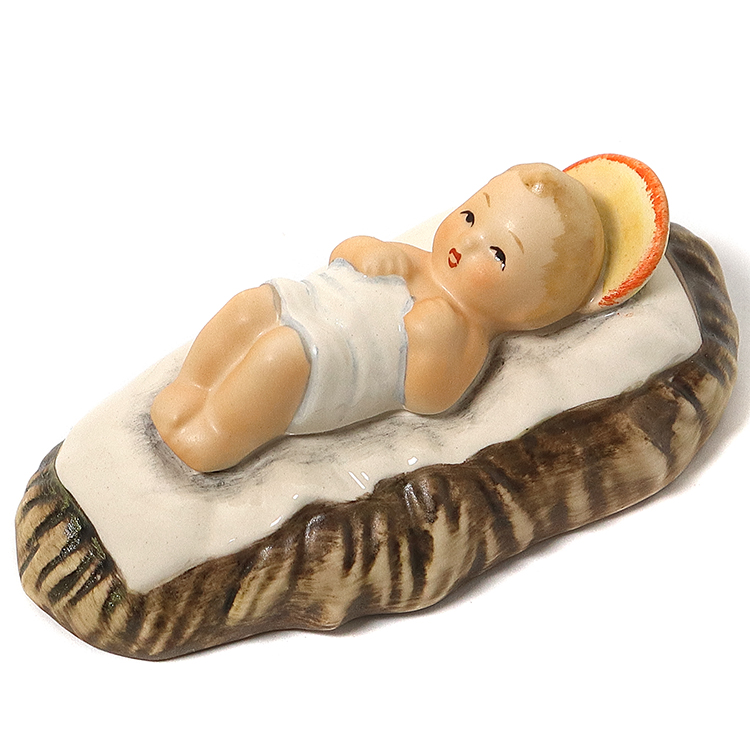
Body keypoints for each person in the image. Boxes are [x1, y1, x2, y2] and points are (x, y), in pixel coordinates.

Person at [151, 162, 605, 472]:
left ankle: (217, 433)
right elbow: (343, 252)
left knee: (278, 355)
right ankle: (191, 387)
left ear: (527, 313)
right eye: (470, 216)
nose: (466, 242)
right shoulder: (418, 258)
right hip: (309, 302)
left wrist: (431, 343)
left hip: (332, 365)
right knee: (249, 306)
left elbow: (429, 399)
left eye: (498, 253)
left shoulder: (465, 334)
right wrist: (365, 249)